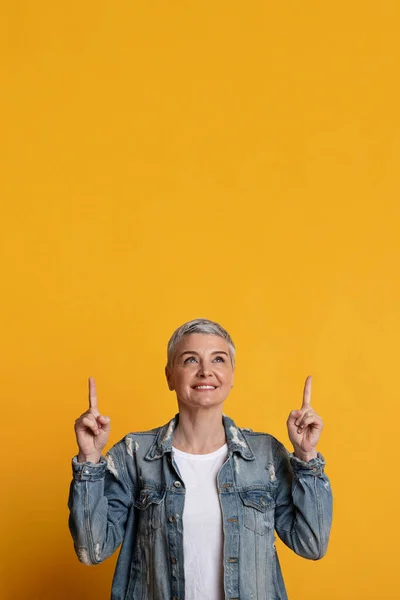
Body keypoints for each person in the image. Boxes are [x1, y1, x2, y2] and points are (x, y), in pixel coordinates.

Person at [68, 318, 332, 600]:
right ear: (169, 376)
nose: (206, 371)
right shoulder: (134, 454)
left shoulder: (265, 455)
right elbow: (92, 549)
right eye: (190, 360)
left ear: (232, 375)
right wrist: (89, 459)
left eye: (218, 359)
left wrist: (306, 456)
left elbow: (311, 544)